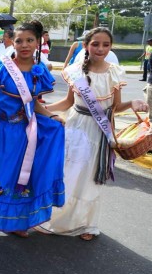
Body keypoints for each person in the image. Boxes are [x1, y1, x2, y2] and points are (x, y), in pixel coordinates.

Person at [36, 28, 149, 240]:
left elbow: (116, 106)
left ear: (111, 47)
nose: (101, 49)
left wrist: (132, 103)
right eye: (96, 44)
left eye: (106, 45)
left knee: (89, 178)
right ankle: (57, 219)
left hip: (99, 131)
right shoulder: (76, 71)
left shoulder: (114, 72)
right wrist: (42, 110)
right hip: (75, 126)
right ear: (86, 45)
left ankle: (87, 224)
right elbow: (68, 102)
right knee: (67, 173)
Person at [0, 20, 65, 243]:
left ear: (38, 42)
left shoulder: (40, 73)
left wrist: (52, 117)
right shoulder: (2, 66)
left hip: (23, 134)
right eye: (19, 40)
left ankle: (15, 221)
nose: (24, 45)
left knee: (19, 178)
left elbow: (34, 105)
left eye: (30, 40)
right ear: (12, 42)